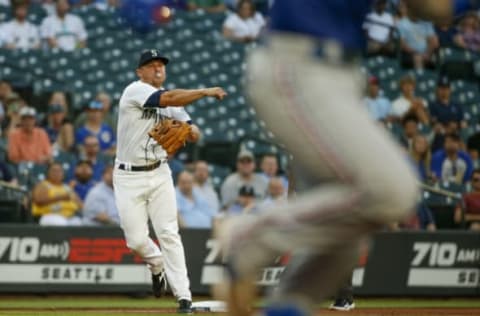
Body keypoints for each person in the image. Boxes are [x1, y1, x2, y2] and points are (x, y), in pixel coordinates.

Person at [216, 1, 423, 316]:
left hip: (342, 76)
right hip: (299, 61)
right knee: (392, 191)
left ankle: (286, 307)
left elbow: (436, 7)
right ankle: (249, 236)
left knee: (345, 234)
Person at [113, 49, 226, 313]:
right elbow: (169, 98)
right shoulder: (135, 90)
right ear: (139, 71)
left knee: (169, 233)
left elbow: (193, 131)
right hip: (128, 176)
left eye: (161, 65)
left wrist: (191, 130)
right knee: (136, 240)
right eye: (151, 65)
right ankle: (156, 264)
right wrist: (205, 91)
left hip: (159, 172)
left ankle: (183, 297)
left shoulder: (175, 103)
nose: (157, 69)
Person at [396, 2, 439, 69]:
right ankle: (420, 78)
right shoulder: (401, 24)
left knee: (441, 58)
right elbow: (402, 44)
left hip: (427, 53)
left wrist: (427, 53)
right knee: (418, 58)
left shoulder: (426, 22)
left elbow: (432, 41)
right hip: (410, 54)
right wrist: (417, 52)